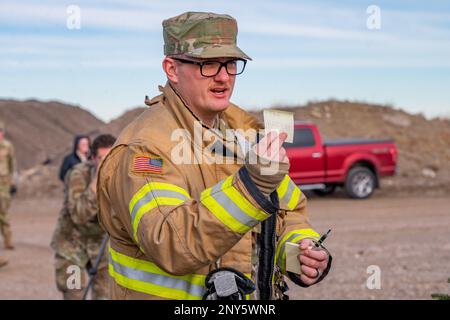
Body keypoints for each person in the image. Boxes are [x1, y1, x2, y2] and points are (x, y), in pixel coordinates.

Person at [97, 11, 332, 300]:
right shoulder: (146, 148)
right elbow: (171, 243)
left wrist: (300, 253)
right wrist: (251, 188)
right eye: (207, 65)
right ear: (171, 69)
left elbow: (289, 211)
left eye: (231, 64)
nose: (223, 77)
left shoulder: (244, 134)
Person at [51, 134, 116, 300]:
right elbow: (80, 215)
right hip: (72, 244)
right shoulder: (77, 174)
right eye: (102, 158)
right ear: (93, 158)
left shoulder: (121, 178)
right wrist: (97, 182)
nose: (107, 163)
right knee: (74, 293)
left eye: (111, 158)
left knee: (106, 295)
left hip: (100, 246)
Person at [0, 121, 17, 250]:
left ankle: (8, 240)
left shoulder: (7, 146)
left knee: (3, 212)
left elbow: (13, 165)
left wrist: (13, 182)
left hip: (4, 184)